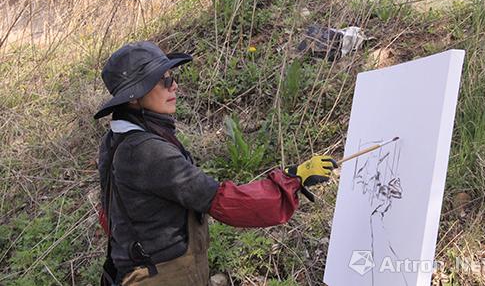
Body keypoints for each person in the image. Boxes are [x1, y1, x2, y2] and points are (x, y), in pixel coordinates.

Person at [94, 41, 337, 286]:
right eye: (164, 80)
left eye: (172, 77)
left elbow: (112, 217)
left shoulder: (117, 139)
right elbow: (219, 199)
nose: (175, 85)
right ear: (135, 97)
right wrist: (290, 182)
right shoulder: (147, 150)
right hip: (162, 276)